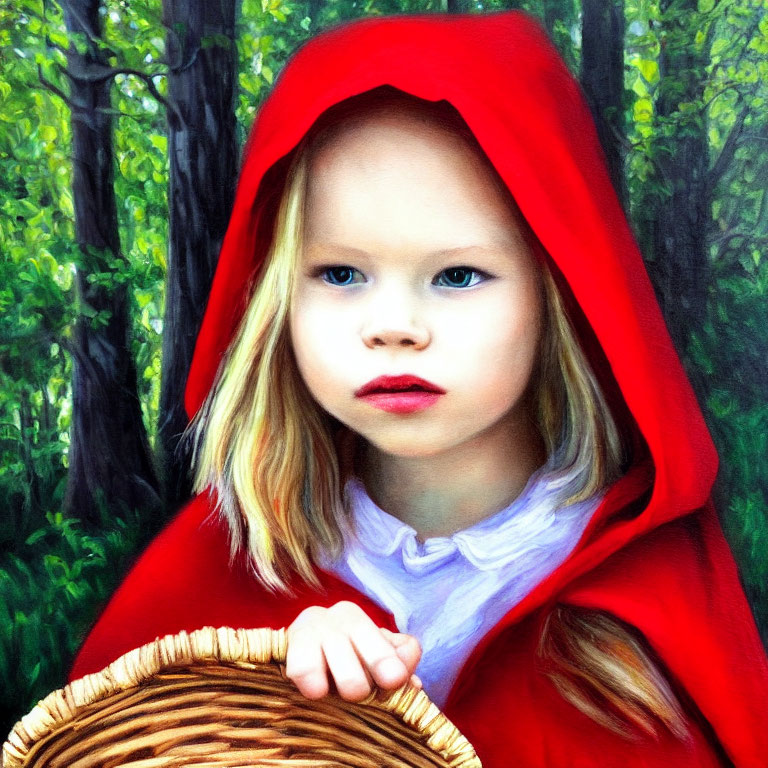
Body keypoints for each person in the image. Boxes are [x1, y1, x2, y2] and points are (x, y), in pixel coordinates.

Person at [70, 10, 768, 766]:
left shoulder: (648, 593)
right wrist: (260, 691)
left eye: (457, 275)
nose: (394, 326)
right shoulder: (221, 566)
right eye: (340, 274)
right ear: (279, 299)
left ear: (557, 288)